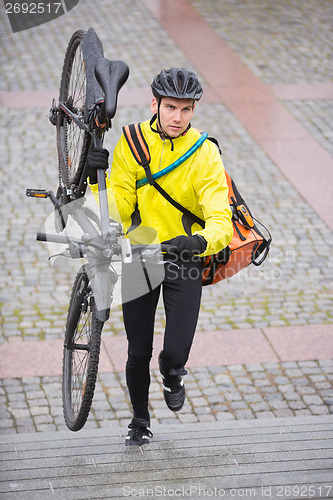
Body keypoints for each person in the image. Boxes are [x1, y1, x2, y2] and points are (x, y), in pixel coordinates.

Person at [86, 67, 233, 446]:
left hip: (184, 258)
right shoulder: (132, 143)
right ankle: (139, 419)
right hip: (140, 254)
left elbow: (221, 217)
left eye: (186, 110)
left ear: (194, 110)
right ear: (155, 104)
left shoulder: (205, 153)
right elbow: (117, 209)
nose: (177, 117)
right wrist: (94, 179)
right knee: (138, 350)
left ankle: (172, 372)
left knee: (174, 351)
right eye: (170, 108)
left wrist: (200, 242)